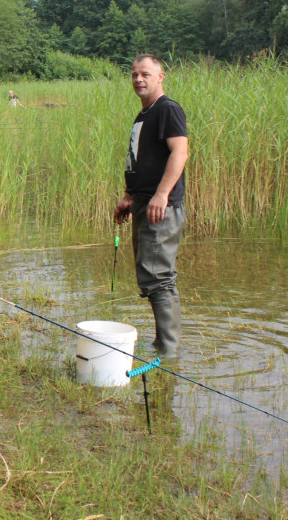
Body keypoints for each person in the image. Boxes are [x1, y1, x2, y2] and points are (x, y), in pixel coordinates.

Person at [113, 54, 188, 359]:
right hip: (143, 202)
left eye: (145, 74)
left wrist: (161, 195)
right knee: (150, 275)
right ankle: (162, 344)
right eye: (134, 75)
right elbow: (140, 160)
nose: (139, 79)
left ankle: (168, 352)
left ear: (160, 76)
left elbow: (180, 152)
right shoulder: (144, 115)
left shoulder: (167, 109)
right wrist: (130, 196)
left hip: (162, 207)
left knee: (159, 277)